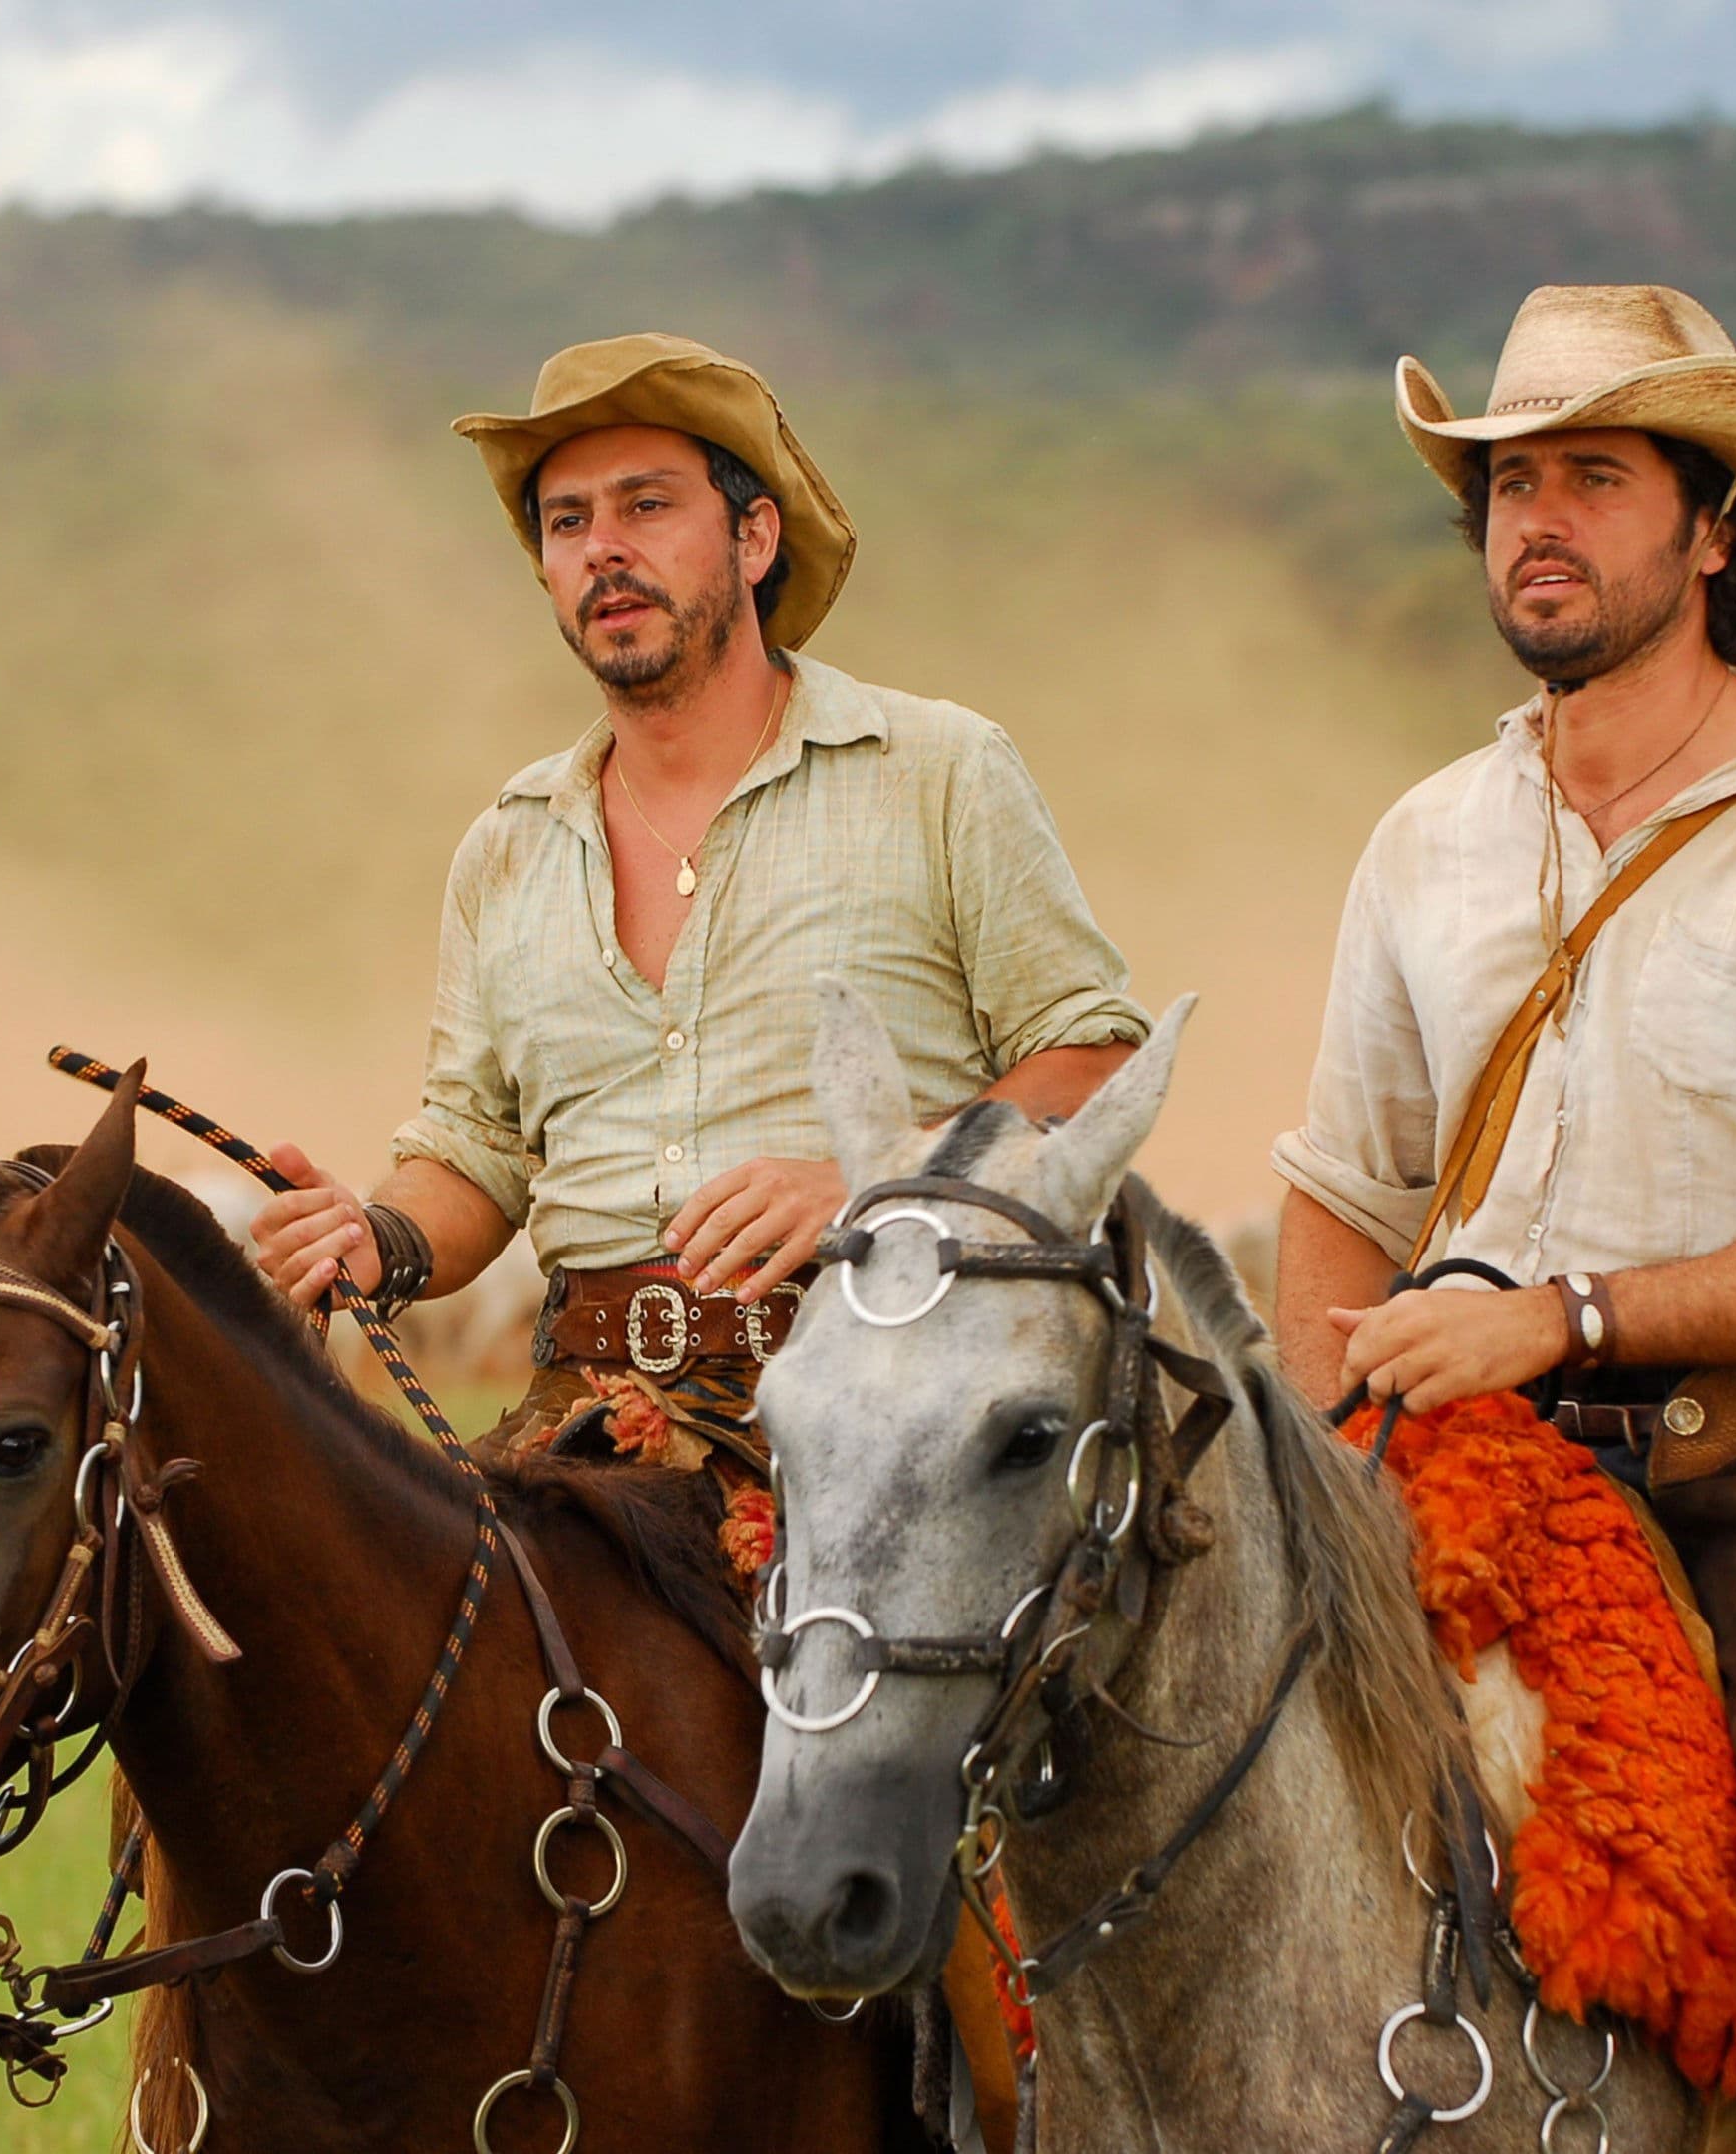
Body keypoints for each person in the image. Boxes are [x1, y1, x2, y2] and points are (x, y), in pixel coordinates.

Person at [1269, 285, 1736, 2152]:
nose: (1538, 520)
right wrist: (1317, 1455)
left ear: (1716, 529)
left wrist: (1565, 1317)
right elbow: (1344, 1191)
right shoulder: (1428, 836)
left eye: (1595, 478)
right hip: (1461, 1457)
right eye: (1512, 484)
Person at [253, 332, 1146, 1481]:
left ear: (754, 537)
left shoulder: (939, 771)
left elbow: (1094, 1062)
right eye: (567, 521)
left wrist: (888, 1175)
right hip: (588, 1432)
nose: (603, 548)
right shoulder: (506, 848)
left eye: (647, 504)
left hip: (897, 1407)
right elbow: (478, 1150)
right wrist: (377, 1237)